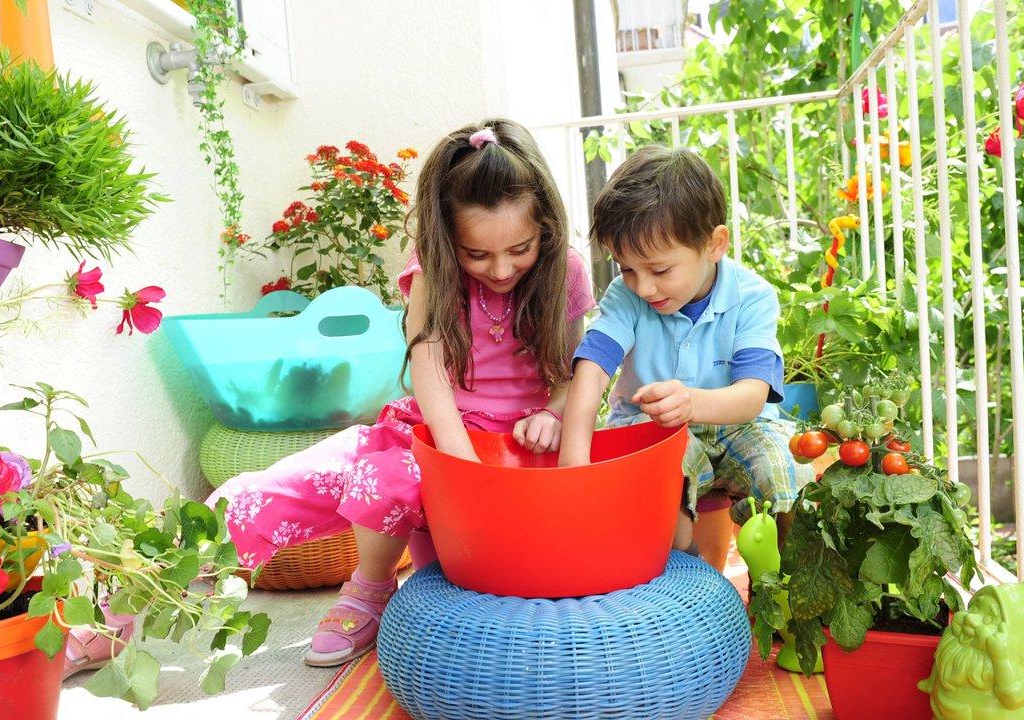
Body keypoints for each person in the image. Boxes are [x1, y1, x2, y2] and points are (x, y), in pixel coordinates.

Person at [207, 119, 595, 667]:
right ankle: (366, 584)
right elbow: (428, 366)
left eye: (520, 248)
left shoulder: (566, 271)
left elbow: (575, 371)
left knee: (442, 559)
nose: (501, 268)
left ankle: (375, 585)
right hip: (437, 433)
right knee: (269, 493)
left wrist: (554, 413)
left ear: (547, 231)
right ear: (446, 240)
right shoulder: (435, 270)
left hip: (521, 450)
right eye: (477, 255)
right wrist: (459, 467)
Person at [558, 145, 812, 553]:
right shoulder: (627, 297)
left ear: (714, 245)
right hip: (650, 426)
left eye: (659, 270)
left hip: (739, 427)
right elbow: (593, 366)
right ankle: (677, 585)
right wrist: (573, 459)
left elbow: (752, 396)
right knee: (663, 489)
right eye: (627, 269)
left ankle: (784, 584)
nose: (643, 286)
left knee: (783, 473)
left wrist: (691, 402)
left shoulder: (753, 297)